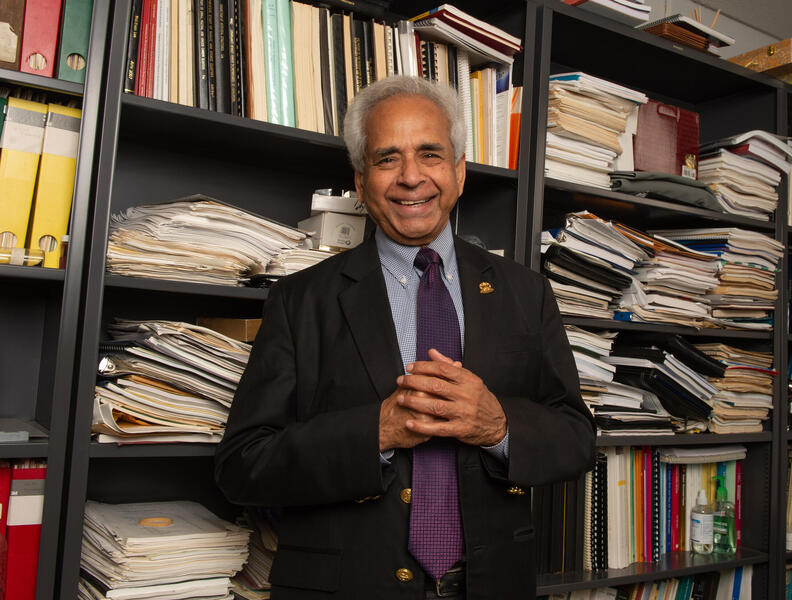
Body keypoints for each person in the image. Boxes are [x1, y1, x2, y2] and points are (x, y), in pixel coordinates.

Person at [215, 76, 595, 599]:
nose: (411, 177)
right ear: (361, 179)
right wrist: (377, 432)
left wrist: (498, 425)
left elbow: (577, 440)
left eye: (430, 154)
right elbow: (242, 466)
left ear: (459, 173)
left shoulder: (525, 292)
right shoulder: (301, 301)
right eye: (387, 158)